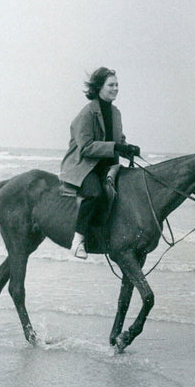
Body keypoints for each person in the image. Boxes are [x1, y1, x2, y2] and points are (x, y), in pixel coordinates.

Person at [60, 68, 140, 259]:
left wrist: (127, 148)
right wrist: (115, 147)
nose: (116, 89)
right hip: (84, 166)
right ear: (98, 88)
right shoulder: (86, 114)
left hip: (107, 165)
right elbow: (86, 147)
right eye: (111, 85)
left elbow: (118, 140)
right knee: (95, 194)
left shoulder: (115, 113)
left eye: (117, 85)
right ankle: (78, 240)